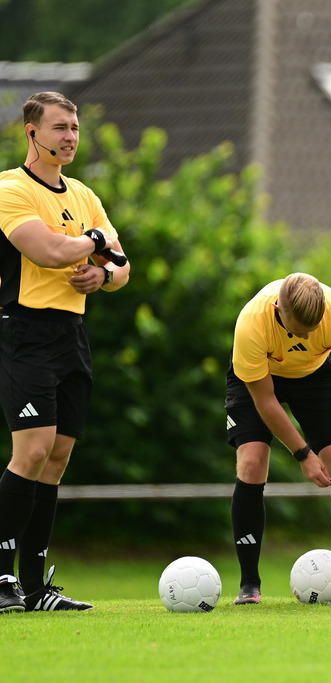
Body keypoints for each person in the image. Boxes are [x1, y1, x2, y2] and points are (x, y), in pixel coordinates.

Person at [0, 91, 130, 613]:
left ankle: (34, 586)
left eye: (74, 128)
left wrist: (102, 274)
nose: (70, 137)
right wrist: (94, 239)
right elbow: (48, 250)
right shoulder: (11, 188)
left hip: (71, 336)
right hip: (24, 332)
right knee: (30, 451)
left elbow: (122, 267)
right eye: (59, 128)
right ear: (32, 133)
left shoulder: (83, 194)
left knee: (56, 459)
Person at [226, 272, 331, 605]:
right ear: (279, 309)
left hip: (316, 376)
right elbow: (265, 400)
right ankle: (249, 584)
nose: (308, 336)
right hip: (261, 379)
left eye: (314, 328)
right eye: (301, 329)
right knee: (252, 461)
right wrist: (303, 454)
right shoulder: (252, 322)